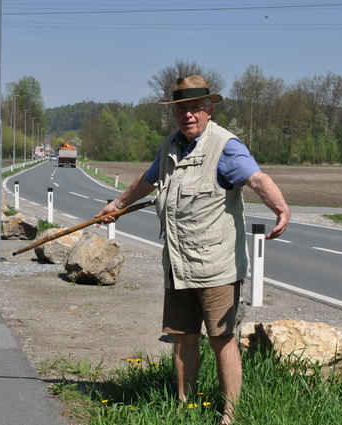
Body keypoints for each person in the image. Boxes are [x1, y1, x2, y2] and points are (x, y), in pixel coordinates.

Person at [96, 75, 290, 424]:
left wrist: (281, 207)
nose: (189, 115)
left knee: (222, 340)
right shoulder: (170, 146)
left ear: (209, 109)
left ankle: (230, 415)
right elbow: (150, 178)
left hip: (216, 267)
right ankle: (184, 406)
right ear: (175, 113)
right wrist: (119, 203)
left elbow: (256, 178)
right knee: (183, 339)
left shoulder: (225, 146)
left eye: (196, 108)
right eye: (182, 109)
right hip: (178, 265)